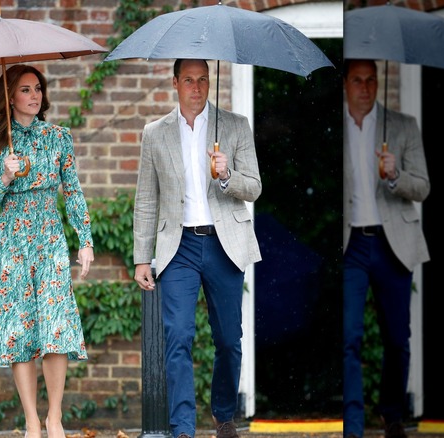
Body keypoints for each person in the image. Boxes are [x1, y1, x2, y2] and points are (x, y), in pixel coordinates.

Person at [133, 59, 262, 438]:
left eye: (203, 79)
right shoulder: (154, 134)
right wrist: (143, 256)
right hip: (179, 246)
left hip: (225, 245)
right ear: (175, 83)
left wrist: (226, 175)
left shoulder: (234, 126)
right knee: (178, 336)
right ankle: (183, 428)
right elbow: (146, 199)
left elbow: (253, 187)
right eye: (188, 80)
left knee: (228, 339)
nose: (197, 87)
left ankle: (224, 416)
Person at [0, 64, 94, 438]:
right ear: (10, 97)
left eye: (37, 88)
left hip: (49, 236)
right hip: (11, 240)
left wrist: (85, 239)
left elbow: (72, 190)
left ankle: (55, 418)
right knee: (19, 329)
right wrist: (5, 176)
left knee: (56, 325)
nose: (34, 95)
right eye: (25, 90)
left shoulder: (59, 137)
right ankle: (31, 421)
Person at [342, 59, 431, 438]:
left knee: (397, 337)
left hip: (392, 242)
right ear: (345, 84)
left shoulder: (403, 126)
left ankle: (391, 413)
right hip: (351, 247)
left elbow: (423, 187)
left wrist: (395, 174)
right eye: (358, 80)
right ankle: (354, 423)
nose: (366, 87)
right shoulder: (338, 127)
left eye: (372, 80)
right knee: (349, 336)